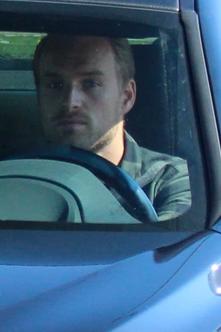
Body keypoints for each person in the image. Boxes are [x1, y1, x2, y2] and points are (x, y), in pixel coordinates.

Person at [31, 31, 192, 221]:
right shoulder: (9, 179)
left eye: (90, 83)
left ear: (126, 97)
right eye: (55, 85)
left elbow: (170, 247)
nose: (70, 102)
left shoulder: (169, 180)